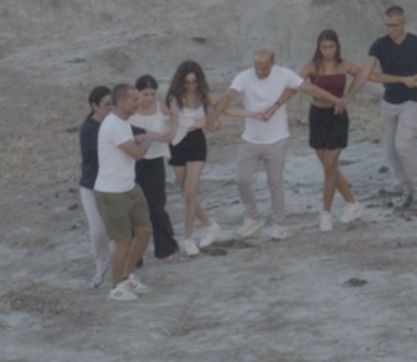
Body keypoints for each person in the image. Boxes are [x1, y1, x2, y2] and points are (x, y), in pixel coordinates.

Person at [93, 80, 172, 300]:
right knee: (122, 240)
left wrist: (139, 139)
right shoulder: (112, 125)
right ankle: (116, 287)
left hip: (130, 187)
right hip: (112, 192)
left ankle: (127, 276)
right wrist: (146, 139)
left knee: (144, 231)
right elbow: (137, 154)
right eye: (133, 99)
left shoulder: (123, 123)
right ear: (120, 102)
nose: (137, 103)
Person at [212, 48, 300, 239]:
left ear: (272, 64)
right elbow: (229, 96)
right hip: (251, 138)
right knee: (241, 179)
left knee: (275, 183)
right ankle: (253, 216)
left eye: (264, 68)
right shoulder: (244, 77)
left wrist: (276, 105)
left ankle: (278, 223)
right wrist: (215, 116)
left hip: (277, 139)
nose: (259, 71)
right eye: (257, 67)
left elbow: (299, 86)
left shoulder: (283, 74)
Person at [364, 5, 417, 211]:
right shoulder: (379, 45)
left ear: (404, 23)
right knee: (390, 150)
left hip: (410, 101)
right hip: (388, 101)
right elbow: (368, 73)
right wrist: (401, 79)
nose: (391, 29)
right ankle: (406, 189)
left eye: (395, 25)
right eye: (387, 25)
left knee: (402, 146)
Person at [296, 30, 368, 230]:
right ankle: (353, 204)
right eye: (324, 47)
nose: (327, 51)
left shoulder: (344, 65)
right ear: (318, 48)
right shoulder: (312, 67)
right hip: (317, 117)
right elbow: (295, 84)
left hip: (337, 117)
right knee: (329, 167)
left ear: (337, 47)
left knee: (329, 166)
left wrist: (348, 97)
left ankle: (325, 212)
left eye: (331, 47)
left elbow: (364, 74)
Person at [163, 61, 220, 246]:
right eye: (187, 82)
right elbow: (178, 121)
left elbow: (221, 106)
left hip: (196, 142)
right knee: (186, 193)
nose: (191, 86)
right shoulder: (174, 96)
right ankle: (209, 225)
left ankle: (187, 238)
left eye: (194, 82)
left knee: (189, 192)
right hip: (177, 143)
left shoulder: (203, 94)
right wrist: (205, 123)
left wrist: (215, 120)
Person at [126, 75, 183, 260]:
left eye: (152, 94)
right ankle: (134, 255)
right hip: (133, 162)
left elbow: (175, 116)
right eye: (145, 94)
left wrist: (171, 130)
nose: (149, 98)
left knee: (157, 206)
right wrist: (153, 136)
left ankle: (166, 248)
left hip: (155, 161)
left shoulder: (160, 108)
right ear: (137, 93)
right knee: (133, 208)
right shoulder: (130, 112)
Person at [76, 85, 118, 289]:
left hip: (112, 185)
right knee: (98, 231)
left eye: (112, 104)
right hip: (92, 187)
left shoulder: (114, 123)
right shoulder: (89, 130)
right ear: (95, 106)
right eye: (106, 105)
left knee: (118, 229)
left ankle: (120, 270)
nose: (111, 108)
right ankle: (101, 266)